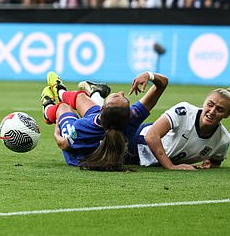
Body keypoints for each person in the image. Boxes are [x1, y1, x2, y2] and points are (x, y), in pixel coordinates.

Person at [41, 70, 169, 171]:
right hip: (96, 124)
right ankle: (62, 91)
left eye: (116, 95)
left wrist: (57, 134)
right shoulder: (131, 119)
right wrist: (149, 75)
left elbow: (64, 144)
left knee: (64, 107)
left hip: (77, 155)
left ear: (102, 108)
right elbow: (162, 83)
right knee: (80, 96)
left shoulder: (82, 126)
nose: (121, 92)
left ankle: (48, 110)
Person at [135, 87, 230, 170]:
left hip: (150, 161)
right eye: (210, 105)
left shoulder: (223, 140)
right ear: (204, 103)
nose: (212, 111)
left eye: (220, 110)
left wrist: (206, 165)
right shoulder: (184, 111)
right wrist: (171, 166)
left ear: (227, 115)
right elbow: (151, 136)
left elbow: (215, 162)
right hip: (135, 142)